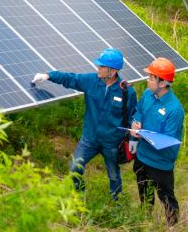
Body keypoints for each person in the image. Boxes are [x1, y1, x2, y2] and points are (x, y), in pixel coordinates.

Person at [32, 48, 136, 199]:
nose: (98, 68)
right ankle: (80, 195)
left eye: (102, 66)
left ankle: (115, 201)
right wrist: (48, 76)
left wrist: (133, 140)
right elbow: (70, 78)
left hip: (112, 142)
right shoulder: (91, 81)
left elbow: (133, 116)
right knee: (74, 168)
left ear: (112, 71)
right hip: (89, 139)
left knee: (114, 175)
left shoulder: (126, 91)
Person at [130, 57, 184, 227]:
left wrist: (141, 135)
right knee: (144, 191)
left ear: (162, 83)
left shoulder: (175, 109)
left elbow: (167, 140)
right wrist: (136, 124)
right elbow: (138, 111)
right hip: (142, 157)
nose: (148, 80)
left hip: (160, 163)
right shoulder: (147, 94)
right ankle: (145, 220)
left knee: (166, 198)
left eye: (151, 78)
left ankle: (173, 228)